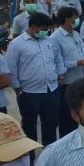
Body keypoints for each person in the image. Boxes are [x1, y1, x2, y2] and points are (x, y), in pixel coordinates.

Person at [7, 11, 65, 146]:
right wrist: (17, 89)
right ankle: (30, 160)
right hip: (29, 93)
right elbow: (12, 68)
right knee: (29, 128)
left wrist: (60, 74)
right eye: (44, 29)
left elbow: (58, 59)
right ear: (33, 27)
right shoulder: (17, 44)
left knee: (50, 126)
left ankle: (48, 158)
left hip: (51, 91)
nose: (47, 32)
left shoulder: (50, 41)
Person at [51, 7, 84, 135]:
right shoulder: (56, 37)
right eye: (74, 17)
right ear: (67, 19)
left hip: (82, 79)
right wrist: (77, 63)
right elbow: (57, 62)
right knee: (68, 116)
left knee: (81, 112)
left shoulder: (76, 34)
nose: (77, 20)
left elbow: (83, 52)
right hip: (68, 82)